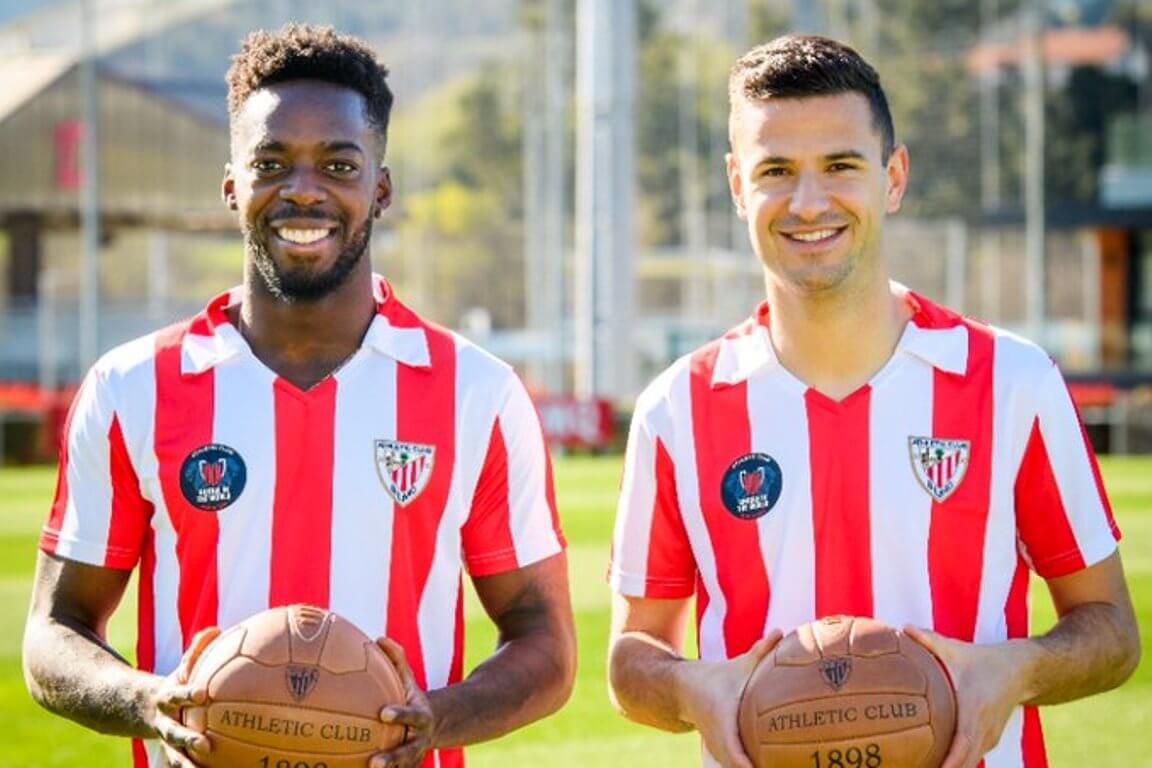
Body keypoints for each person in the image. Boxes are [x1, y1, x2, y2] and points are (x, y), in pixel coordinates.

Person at [23, 23, 575, 768]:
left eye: (338, 164)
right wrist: (148, 703)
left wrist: (431, 722)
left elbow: (543, 638)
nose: (304, 190)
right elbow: (53, 633)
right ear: (232, 187)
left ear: (379, 188)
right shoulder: (132, 387)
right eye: (272, 162)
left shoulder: (477, 391)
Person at [606, 34, 1140, 768]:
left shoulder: (1013, 381)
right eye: (776, 171)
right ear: (737, 187)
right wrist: (695, 687)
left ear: (893, 177)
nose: (808, 201)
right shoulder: (677, 408)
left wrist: (1014, 669)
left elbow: (1110, 630)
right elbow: (632, 659)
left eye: (840, 166)